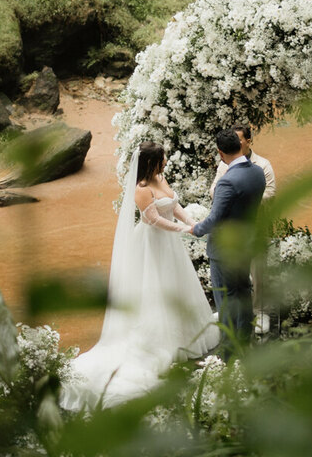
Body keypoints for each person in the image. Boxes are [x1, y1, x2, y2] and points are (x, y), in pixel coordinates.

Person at [60, 141, 219, 410]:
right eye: (163, 158)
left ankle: (187, 335)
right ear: (152, 162)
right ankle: (161, 342)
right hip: (153, 244)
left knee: (179, 286)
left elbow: (174, 205)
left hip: (170, 245)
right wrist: (183, 231)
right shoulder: (141, 190)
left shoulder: (159, 177)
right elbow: (153, 220)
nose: (167, 160)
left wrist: (192, 222)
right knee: (156, 289)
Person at [188, 127, 266, 356]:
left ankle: (228, 352)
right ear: (240, 146)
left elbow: (214, 219)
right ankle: (245, 341)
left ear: (221, 153)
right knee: (242, 292)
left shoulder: (227, 182)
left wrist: (196, 228)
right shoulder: (258, 172)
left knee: (226, 299)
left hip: (224, 249)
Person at [213, 122, 276, 198]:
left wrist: (244, 201)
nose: (235, 144)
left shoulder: (263, 165)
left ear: (248, 142)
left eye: (238, 141)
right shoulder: (224, 163)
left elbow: (270, 193)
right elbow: (213, 189)